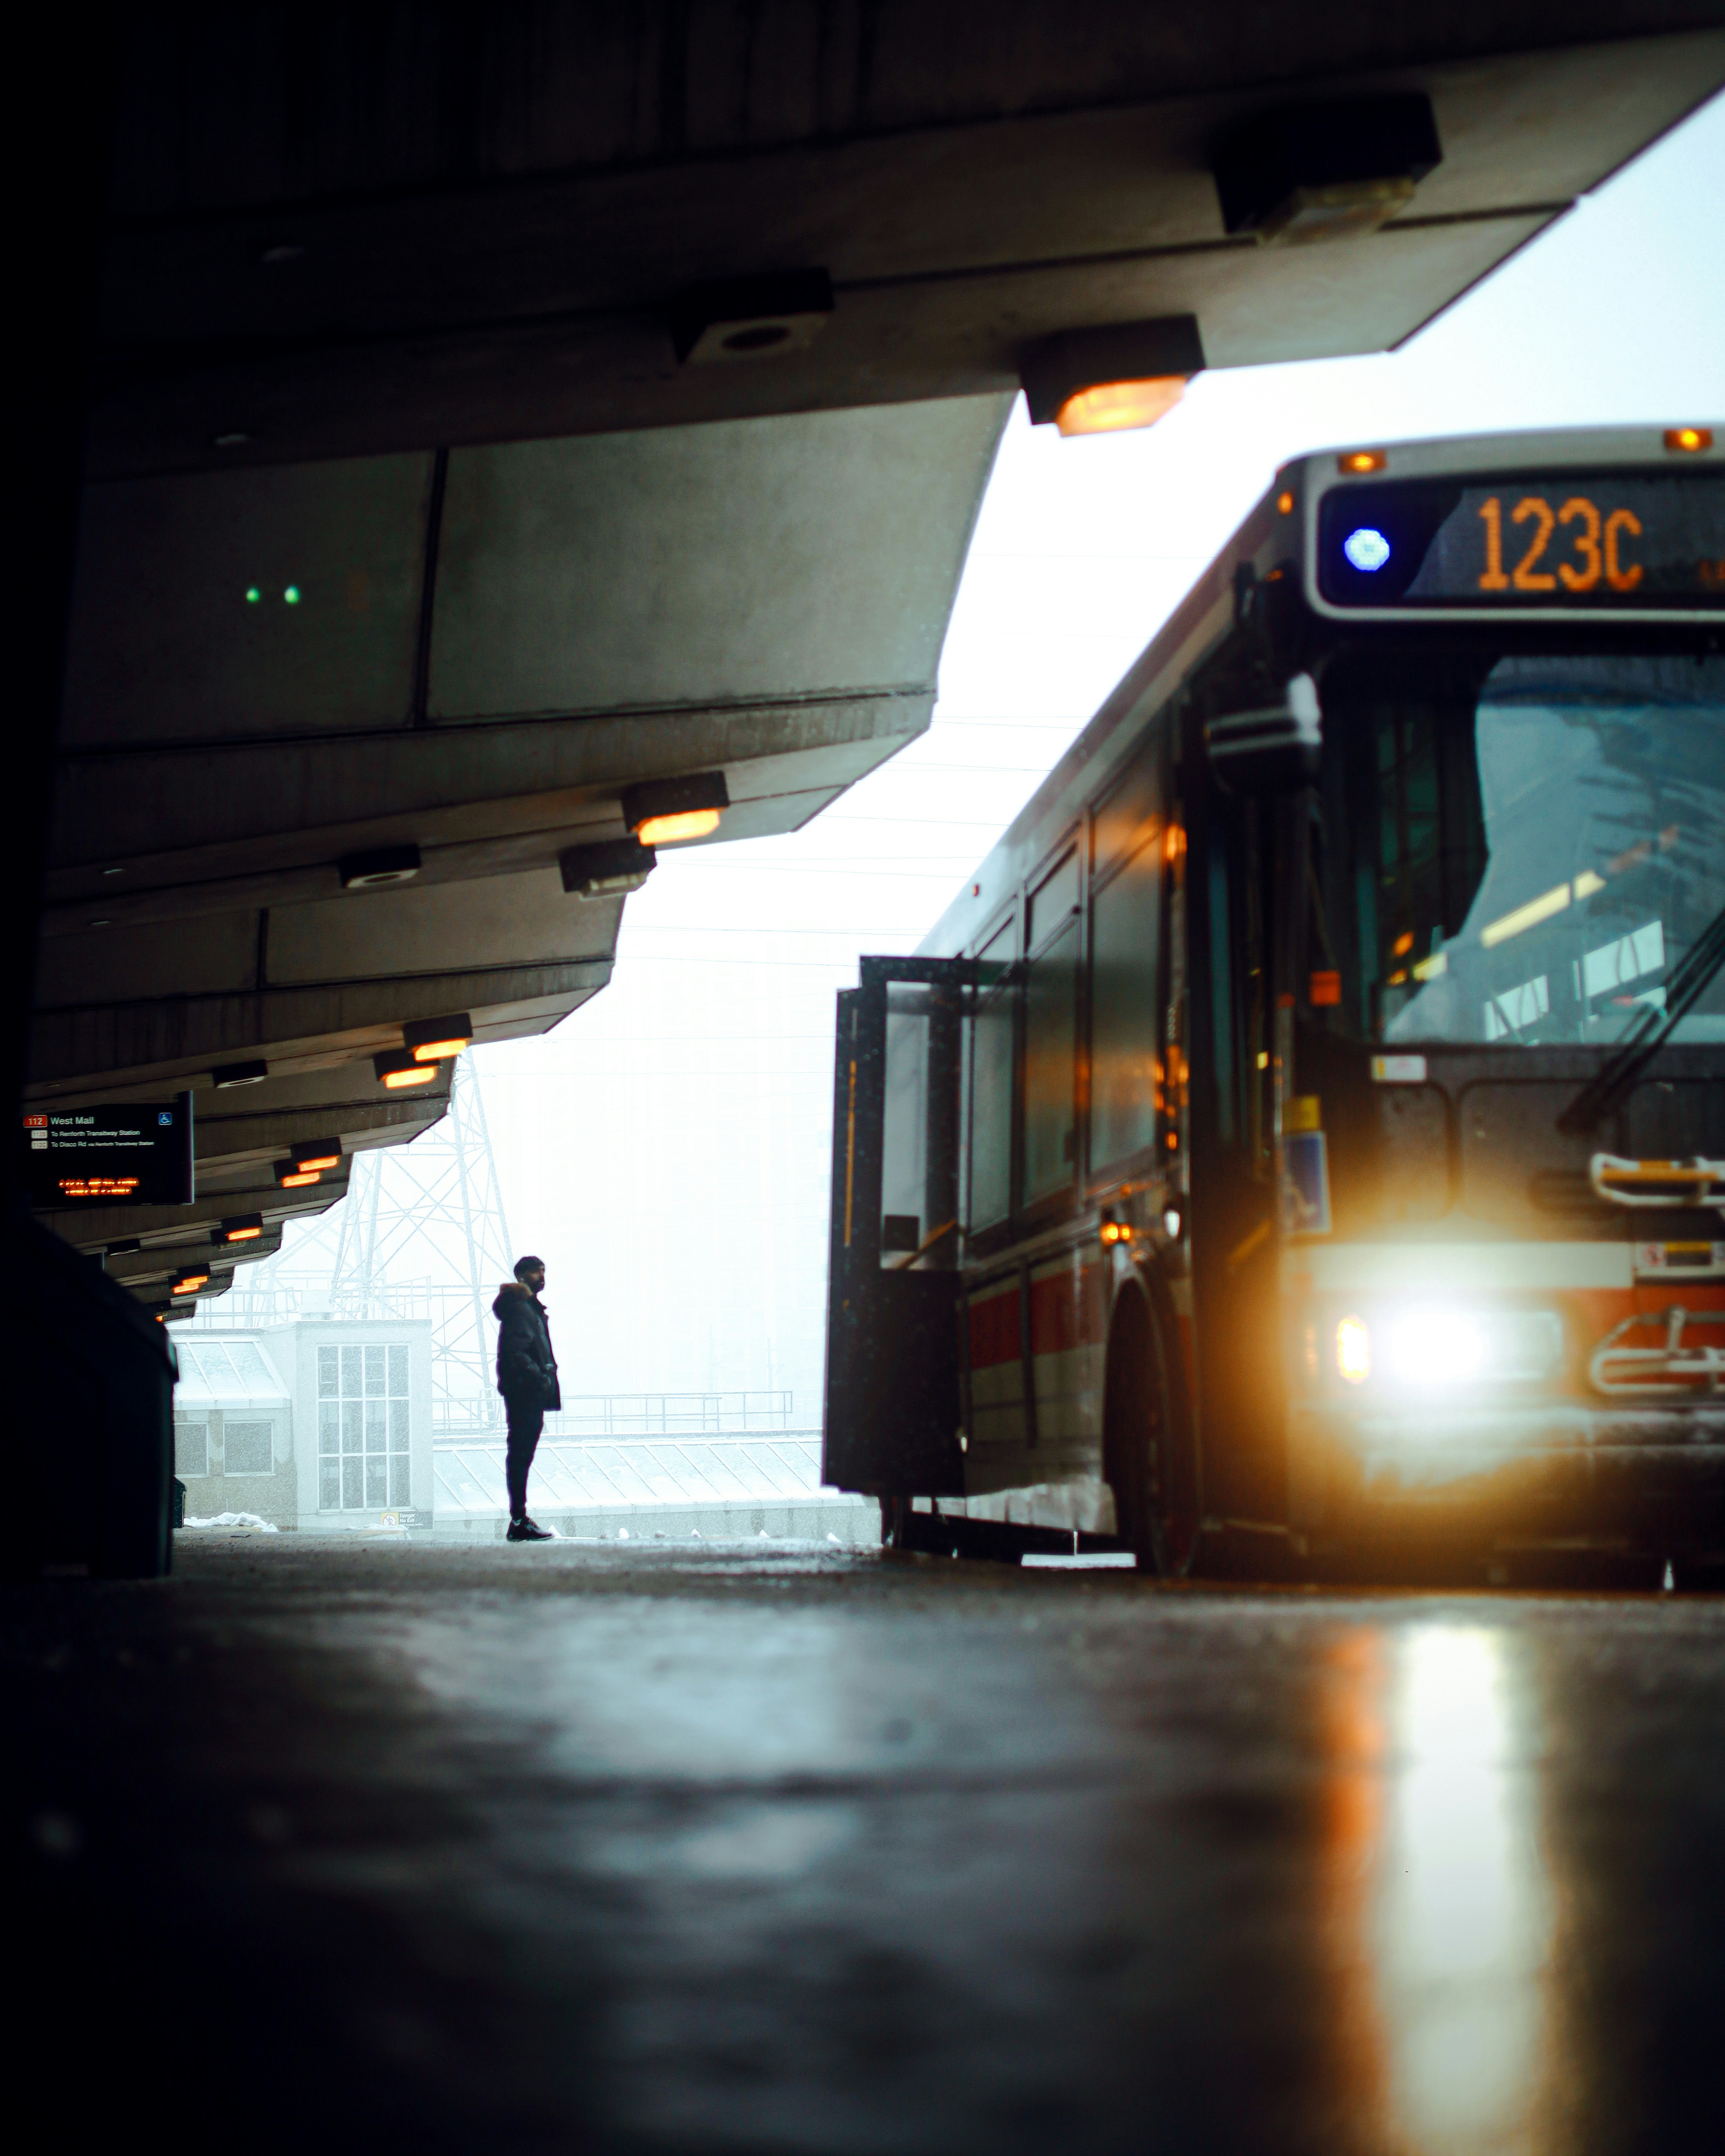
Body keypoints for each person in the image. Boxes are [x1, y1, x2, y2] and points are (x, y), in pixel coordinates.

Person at [493, 1255, 560, 1542]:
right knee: (520, 1455)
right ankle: (519, 1521)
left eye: (544, 1271)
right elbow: (515, 1352)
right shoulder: (521, 1309)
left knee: (522, 1455)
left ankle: (519, 1519)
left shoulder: (527, 1308)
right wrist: (539, 1376)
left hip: (526, 1391)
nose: (542, 1277)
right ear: (522, 1276)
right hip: (524, 1392)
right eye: (536, 1272)